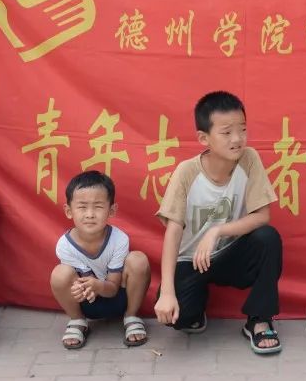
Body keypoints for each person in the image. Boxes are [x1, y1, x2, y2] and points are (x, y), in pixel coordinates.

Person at [154, 91, 283, 355]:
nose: (237, 139)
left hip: (230, 254)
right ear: (204, 138)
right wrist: (167, 292)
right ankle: (196, 307)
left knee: (267, 238)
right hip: (191, 261)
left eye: (242, 129)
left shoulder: (249, 159)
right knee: (177, 318)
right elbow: (173, 232)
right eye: (226, 132)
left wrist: (217, 231)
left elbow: (262, 216)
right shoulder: (186, 172)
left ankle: (259, 320)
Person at [50, 171, 152, 350]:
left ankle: (131, 316)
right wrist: (79, 290)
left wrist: (96, 286)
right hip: (87, 302)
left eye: (98, 207)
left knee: (138, 260)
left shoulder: (119, 239)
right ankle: (78, 321)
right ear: (68, 211)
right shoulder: (64, 245)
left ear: (112, 210)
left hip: (117, 297)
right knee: (59, 274)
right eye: (82, 207)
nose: (90, 214)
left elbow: (112, 289)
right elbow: (82, 287)